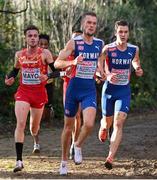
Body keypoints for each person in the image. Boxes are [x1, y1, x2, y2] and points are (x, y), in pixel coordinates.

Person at [4, 25, 62, 173]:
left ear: (38, 38)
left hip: (39, 94)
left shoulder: (45, 53)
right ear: (26, 38)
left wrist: (47, 76)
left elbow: (57, 72)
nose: (33, 38)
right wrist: (10, 78)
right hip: (23, 92)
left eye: (35, 36)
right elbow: (15, 70)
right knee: (21, 123)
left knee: (33, 128)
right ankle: (19, 160)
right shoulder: (19, 54)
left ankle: (35, 137)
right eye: (30, 36)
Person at [54, 12, 106, 175]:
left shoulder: (99, 44)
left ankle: (77, 145)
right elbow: (56, 63)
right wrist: (73, 61)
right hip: (73, 89)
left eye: (94, 23)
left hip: (89, 89)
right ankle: (63, 161)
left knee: (89, 124)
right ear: (83, 25)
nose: (91, 25)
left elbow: (98, 64)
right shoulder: (74, 43)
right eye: (89, 23)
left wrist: (100, 73)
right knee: (68, 127)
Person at [98, 20, 144, 170]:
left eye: (126, 32)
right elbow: (100, 61)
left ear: (128, 33)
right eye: (120, 32)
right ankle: (103, 126)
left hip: (123, 91)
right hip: (109, 91)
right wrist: (107, 74)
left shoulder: (133, 49)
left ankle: (110, 157)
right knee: (107, 123)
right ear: (116, 33)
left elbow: (135, 61)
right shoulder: (108, 49)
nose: (123, 35)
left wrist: (137, 68)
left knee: (119, 122)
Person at [31, 33, 55, 154]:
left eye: (46, 44)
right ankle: (36, 143)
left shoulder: (51, 56)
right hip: (34, 88)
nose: (43, 46)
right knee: (36, 118)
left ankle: (49, 108)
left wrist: (48, 75)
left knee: (45, 115)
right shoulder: (30, 55)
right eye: (41, 44)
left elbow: (57, 71)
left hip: (48, 86)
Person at [62, 30, 83, 160]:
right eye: (74, 38)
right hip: (67, 87)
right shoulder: (66, 54)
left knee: (77, 116)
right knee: (69, 118)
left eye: (78, 38)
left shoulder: (85, 54)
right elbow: (56, 68)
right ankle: (69, 141)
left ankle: (75, 145)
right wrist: (66, 70)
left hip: (81, 87)